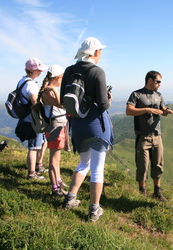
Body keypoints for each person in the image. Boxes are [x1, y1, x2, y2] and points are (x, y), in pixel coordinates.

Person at [60, 37, 113, 222]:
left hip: (78, 125)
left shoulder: (69, 70)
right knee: (97, 168)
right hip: (96, 125)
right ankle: (94, 210)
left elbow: (62, 100)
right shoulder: (97, 72)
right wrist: (108, 97)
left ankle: (70, 199)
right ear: (96, 52)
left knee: (84, 163)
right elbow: (104, 105)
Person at [126, 71, 173, 202]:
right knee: (142, 166)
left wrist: (166, 111)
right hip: (142, 135)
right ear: (150, 80)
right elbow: (129, 111)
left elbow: (162, 111)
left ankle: (157, 191)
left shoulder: (158, 95)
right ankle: (142, 191)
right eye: (158, 81)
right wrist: (147, 110)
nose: (160, 84)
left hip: (157, 135)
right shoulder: (136, 94)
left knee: (158, 164)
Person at [15, 58, 48, 180]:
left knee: (43, 142)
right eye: (39, 70)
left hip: (27, 117)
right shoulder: (31, 85)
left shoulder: (23, 81)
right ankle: (31, 173)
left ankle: (38, 165)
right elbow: (35, 103)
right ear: (33, 70)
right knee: (33, 147)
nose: (40, 72)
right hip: (32, 119)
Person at [39, 64, 70, 196]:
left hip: (59, 125)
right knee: (54, 159)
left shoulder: (49, 90)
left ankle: (58, 180)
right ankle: (55, 189)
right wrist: (57, 91)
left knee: (57, 157)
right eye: (62, 78)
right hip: (55, 126)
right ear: (58, 77)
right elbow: (60, 104)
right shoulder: (48, 91)